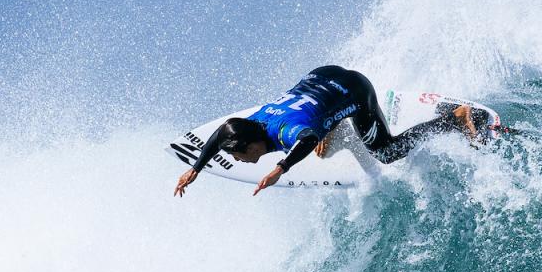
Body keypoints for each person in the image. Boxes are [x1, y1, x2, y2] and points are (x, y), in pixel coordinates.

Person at [174, 65, 501, 197]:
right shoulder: (254, 122)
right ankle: (335, 125)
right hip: (322, 76)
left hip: (354, 92)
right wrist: (196, 169)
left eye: (239, 154)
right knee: (321, 130)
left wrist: (279, 168)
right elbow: (219, 135)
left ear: (253, 144)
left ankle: (454, 120)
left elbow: (307, 139)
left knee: (386, 152)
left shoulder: (285, 131)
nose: (239, 159)